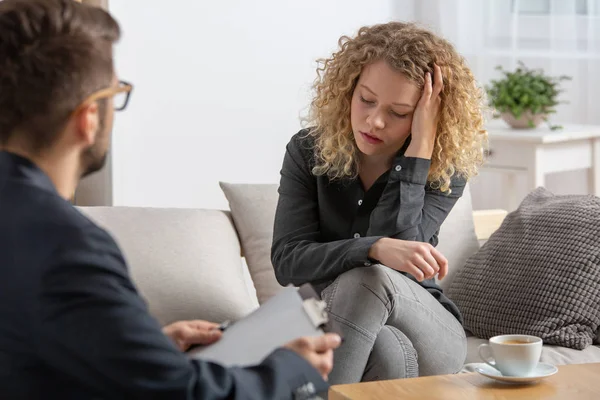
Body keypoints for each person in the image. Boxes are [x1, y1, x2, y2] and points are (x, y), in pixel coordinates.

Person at [0, 0, 341, 398]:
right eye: (116, 92)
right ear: (88, 118)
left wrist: (150, 349)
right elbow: (182, 395)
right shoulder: (67, 248)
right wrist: (290, 369)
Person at [271, 21, 487, 384]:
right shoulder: (307, 150)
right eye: (366, 100)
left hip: (428, 330)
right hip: (330, 321)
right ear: (348, 90)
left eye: (399, 113)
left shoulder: (444, 169)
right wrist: (374, 248)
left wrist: (418, 151)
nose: (374, 121)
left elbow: (397, 269)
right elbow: (287, 261)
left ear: (426, 117)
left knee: (370, 279)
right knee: (385, 349)